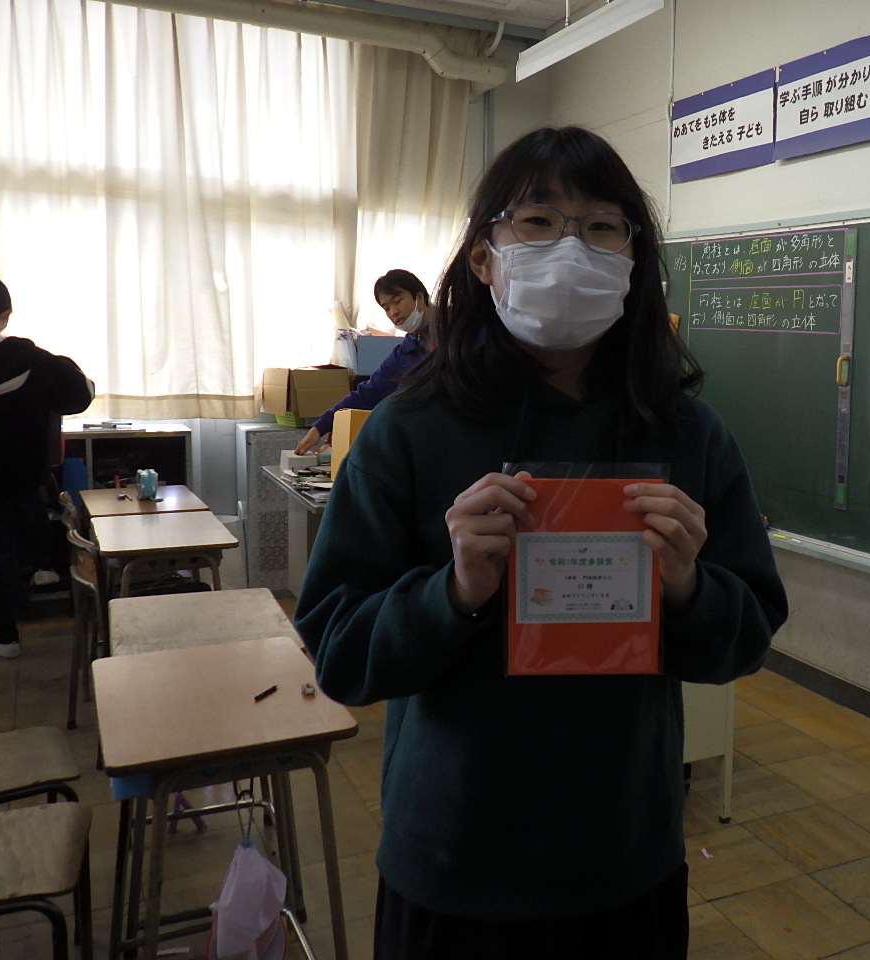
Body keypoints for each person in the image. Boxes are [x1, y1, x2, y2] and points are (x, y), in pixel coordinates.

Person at [295, 126, 788, 959]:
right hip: (453, 861)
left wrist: (688, 588)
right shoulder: (408, 432)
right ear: (484, 258)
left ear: (633, 259)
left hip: (624, 858)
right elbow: (339, 653)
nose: (570, 248)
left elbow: (746, 636)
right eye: (537, 222)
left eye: (600, 226)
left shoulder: (686, 432)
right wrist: (452, 593)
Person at [0, 275, 94, 659]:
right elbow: (79, 394)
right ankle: (44, 568)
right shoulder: (28, 357)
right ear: (6, 314)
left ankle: (8, 637)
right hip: (26, 474)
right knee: (34, 513)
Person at [292, 269, 432, 455]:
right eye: (386, 308)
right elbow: (367, 393)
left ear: (420, 297)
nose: (394, 312)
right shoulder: (405, 352)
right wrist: (320, 426)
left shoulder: (459, 333)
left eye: (397, 301)